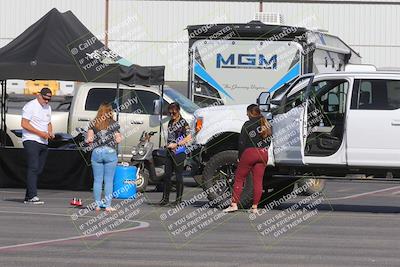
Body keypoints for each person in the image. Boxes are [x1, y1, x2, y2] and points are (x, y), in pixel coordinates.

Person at [223, 104, 272, 214]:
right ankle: (254, 207)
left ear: (250, 113)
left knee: (239, 178)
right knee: (258, 182)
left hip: (250, 153)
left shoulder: (247, 124)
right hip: (264, 153)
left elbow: (241, 142)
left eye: (247, 112)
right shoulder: (266, 124)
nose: (246, 114)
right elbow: (269, 141)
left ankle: (234, 204)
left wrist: (240, 157)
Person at [21, 88, 54, 204]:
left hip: (43, 142)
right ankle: (32, 196)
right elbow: (24, 124)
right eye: (45, 98)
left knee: (38, 170)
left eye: (49, 99)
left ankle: (28, 196)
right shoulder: (30, 106)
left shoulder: (48, 108)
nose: (46, 101)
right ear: (39, 95)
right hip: (31, 140)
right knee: (33, 167)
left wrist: (50, 132)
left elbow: (48, 123)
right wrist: (40, 133)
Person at [86, 103, 122, 212]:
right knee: (109, 181)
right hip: (110, 152)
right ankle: (108, 206)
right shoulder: (114, 123)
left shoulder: (93, 123)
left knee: (97, 180)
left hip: (97, 152)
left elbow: (90, 139)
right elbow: (118, 140)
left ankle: (97, 205)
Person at [158, 102, 191, 206]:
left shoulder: (183, 123)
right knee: (167, 175)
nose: (172, 115)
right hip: (169, 151)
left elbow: (189, 137)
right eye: (170, 113)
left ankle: (178, 200)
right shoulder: (170, 122)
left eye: (174, 113)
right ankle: (165, 199)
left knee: (178, 176)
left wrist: (176, 144)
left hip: (179, 152)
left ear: (178, 111)